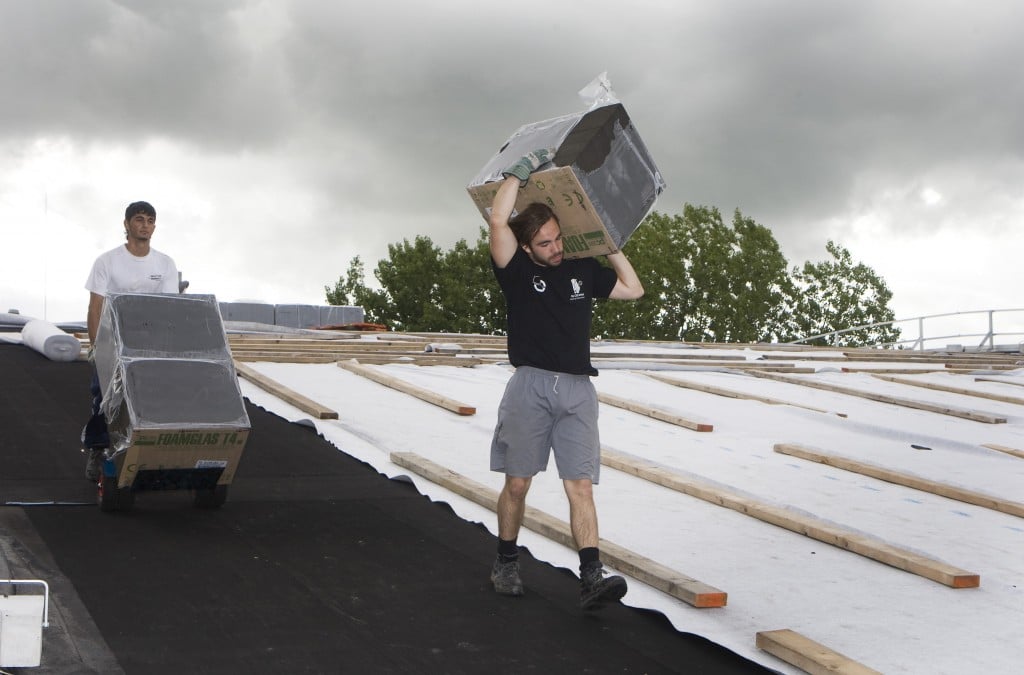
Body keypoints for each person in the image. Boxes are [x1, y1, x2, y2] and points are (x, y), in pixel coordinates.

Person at [487, 150, 645, 610]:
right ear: (528, 247)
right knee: (518, 484)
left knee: (580, 485)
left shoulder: (580, 270)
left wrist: (610, 243)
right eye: (544, 244)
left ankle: (591, 575)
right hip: (530, 386)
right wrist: (518, 176)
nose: (554, 249)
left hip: (578, 390)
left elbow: (633, 289)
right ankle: (506, 561)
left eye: (557, 239)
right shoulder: (516, 274)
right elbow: (499, 222)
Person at [82, 201, 179, 481]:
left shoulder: (164, 263)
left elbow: (168, 307)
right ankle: (97, 450)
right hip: (112, 341)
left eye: (150, 220)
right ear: (126, 224)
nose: (145, 225)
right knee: (104, 399)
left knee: (150, 399)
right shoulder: (108, 261)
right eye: (139, 219)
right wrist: (94, 346)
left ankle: (146, 453)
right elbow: (95, 306)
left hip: (147, 342)